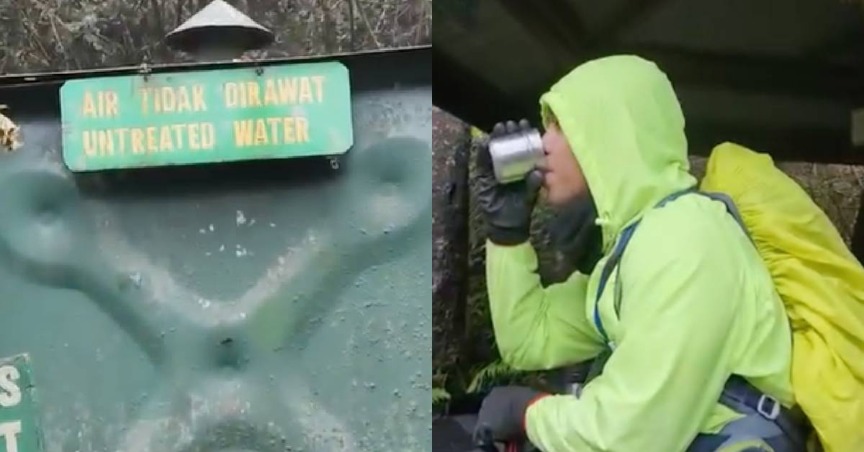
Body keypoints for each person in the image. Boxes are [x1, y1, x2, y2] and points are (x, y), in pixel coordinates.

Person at [471, 56, 807, 451]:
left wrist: (530, 411)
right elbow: (531, 337)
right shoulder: (629, 251)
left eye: (560, 126)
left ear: (608, 136)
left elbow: (628, 439)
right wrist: (507, 235)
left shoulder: (685, 239)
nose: (544, 144)